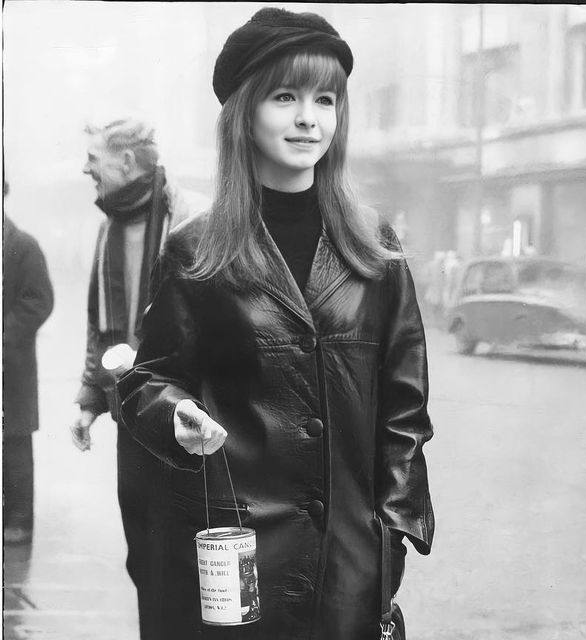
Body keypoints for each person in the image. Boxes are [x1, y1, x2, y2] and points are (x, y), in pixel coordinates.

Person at [118, 8, 435, 640]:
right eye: (284, 96)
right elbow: (147, 381)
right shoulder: (198, 250)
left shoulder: (375, 249)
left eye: (325, 98)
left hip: (349, 564)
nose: (308, 118)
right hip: (234, 559)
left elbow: (405, 413)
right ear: (244, 111)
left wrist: (391, 538)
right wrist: (173, 411)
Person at [69, 118, 209, 634]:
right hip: (129, 414)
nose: (86, 167)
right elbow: (98, 324)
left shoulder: (192, 215)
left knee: (182, 554)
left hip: (182, 415)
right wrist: (89, 398)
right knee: (142, 554)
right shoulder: (106, 224)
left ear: (126, 162)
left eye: (94, 157)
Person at [3, 182, 55, 545]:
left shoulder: (22, 245)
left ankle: (19, 519)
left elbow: (39, 300)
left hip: (13, 367)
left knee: (15, 442)